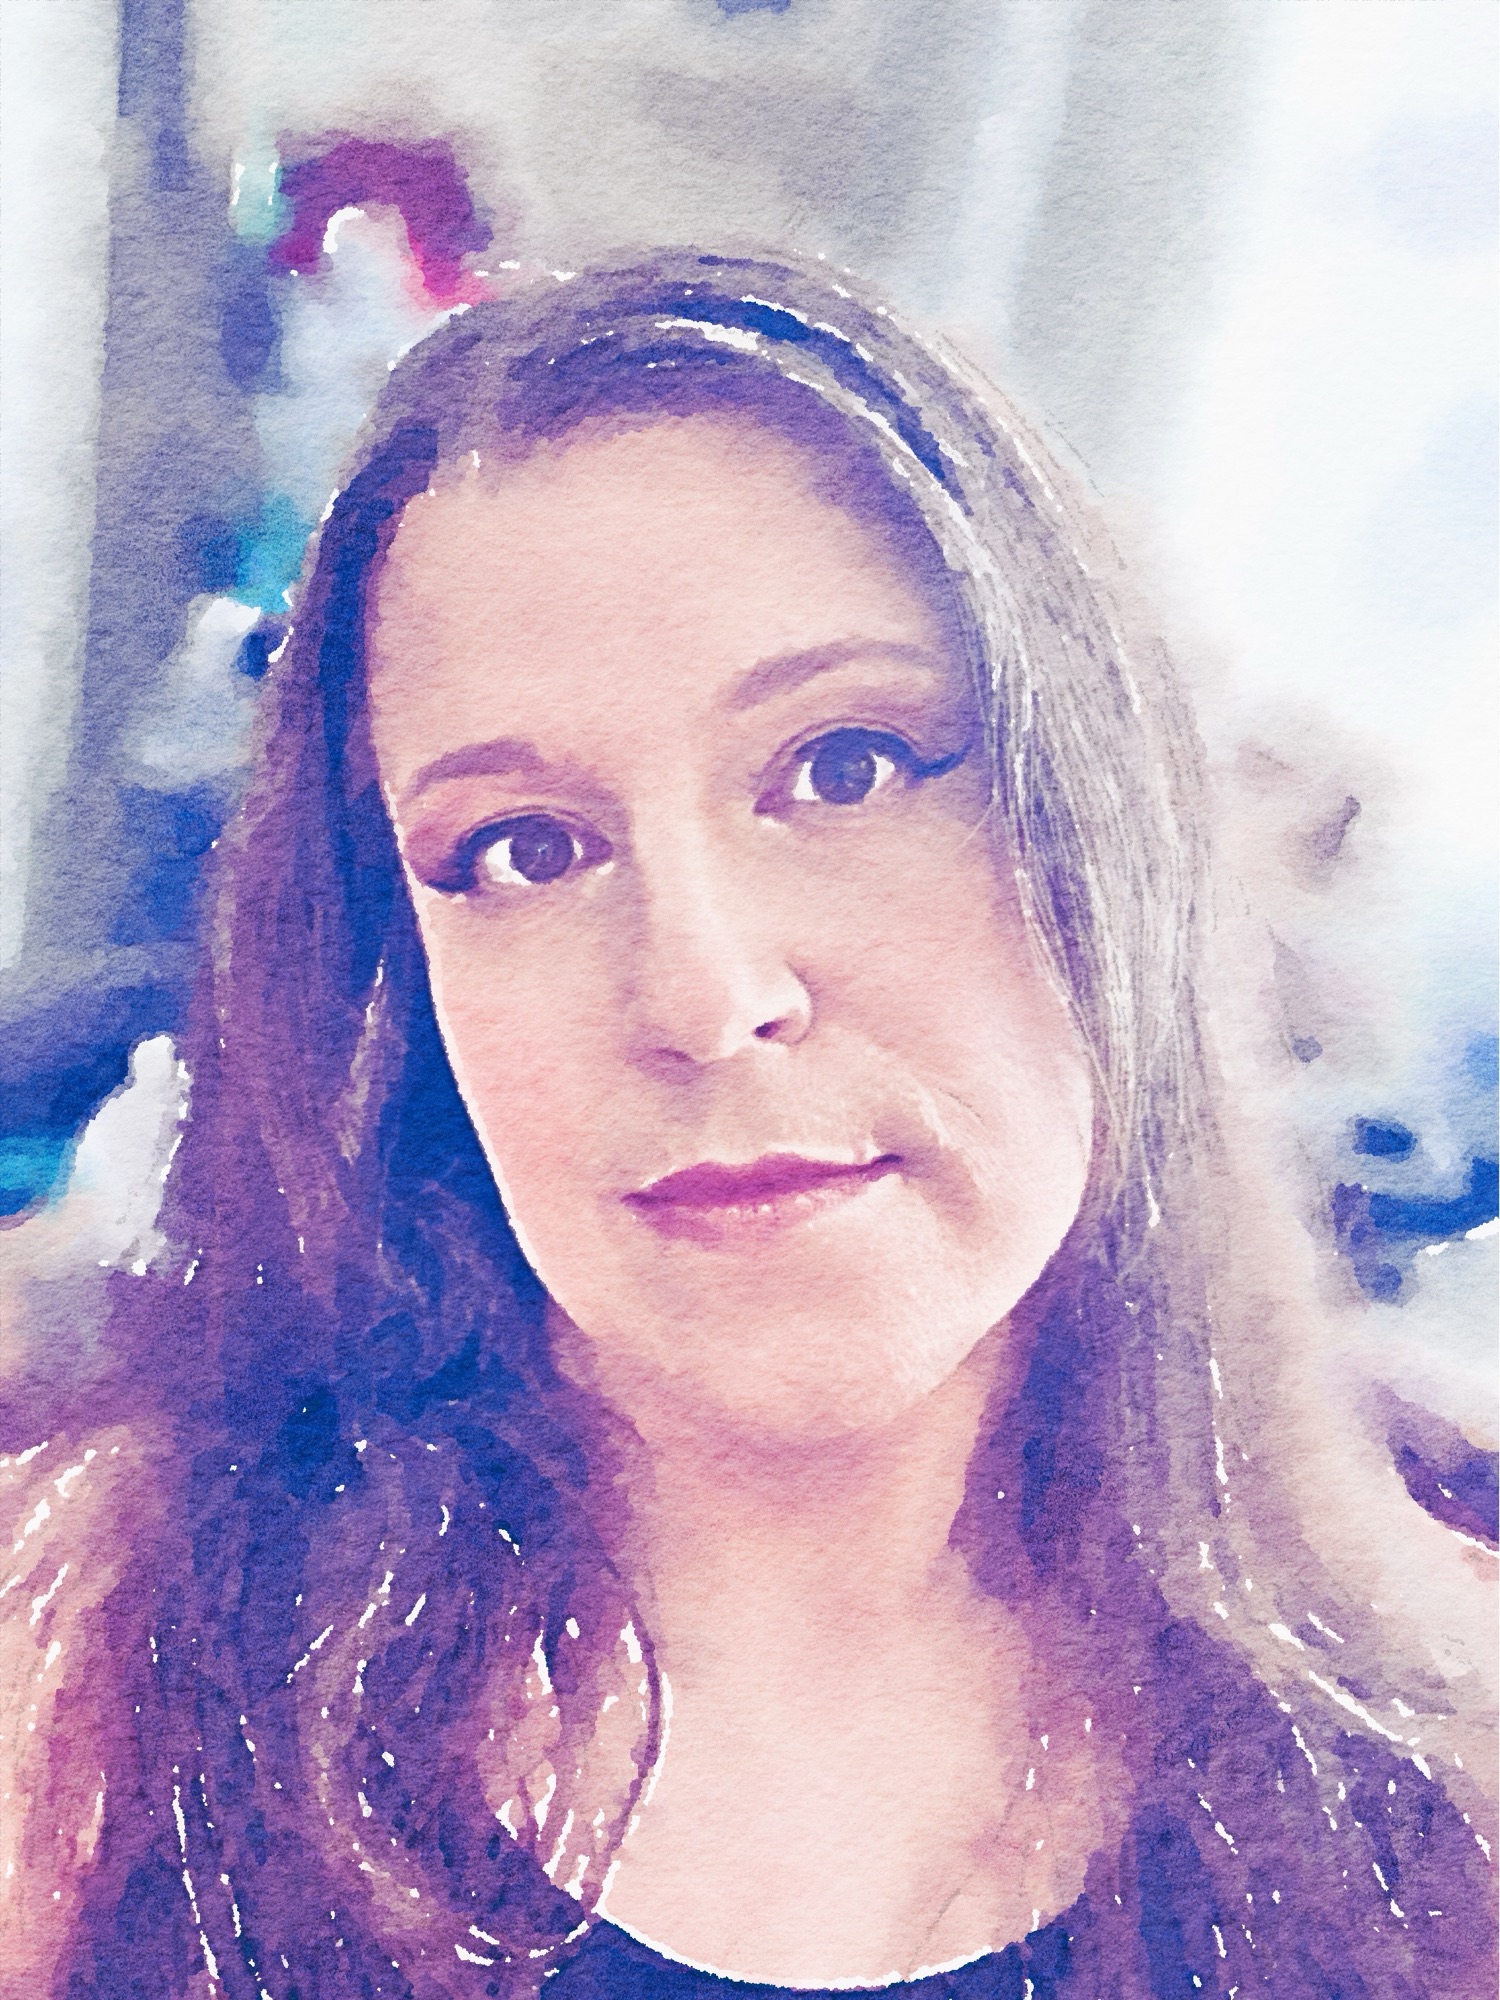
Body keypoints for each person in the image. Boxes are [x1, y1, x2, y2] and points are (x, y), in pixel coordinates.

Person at [4, 252, 1493, 1998]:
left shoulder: (1443, 1774)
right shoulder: (101, 1653)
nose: (705, 996)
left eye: (847, 766)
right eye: (524, 851)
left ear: (1115, 820)